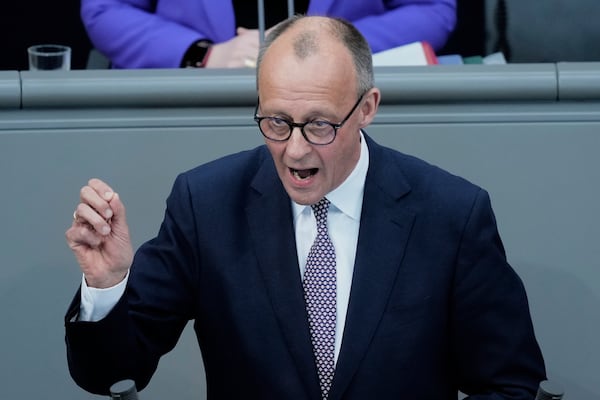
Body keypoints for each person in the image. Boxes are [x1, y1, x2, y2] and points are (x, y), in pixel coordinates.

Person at [65, 15, 546, 399]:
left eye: (319, 125)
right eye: (276, 121)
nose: (294, 150)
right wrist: (107, 286)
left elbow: (509, 383)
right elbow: (111, 373)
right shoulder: (207, 203)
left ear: (367, 108)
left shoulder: (451, 213)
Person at [81, 0, 456, 69]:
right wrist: (201, 54)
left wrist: (328, 41)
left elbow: (433, 10)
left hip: (337, 101)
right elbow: (105, 9)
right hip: (193, 99)